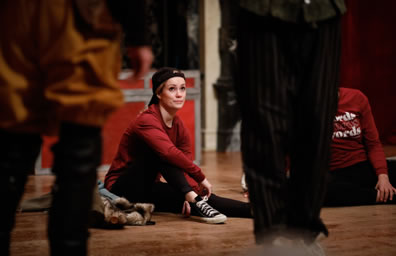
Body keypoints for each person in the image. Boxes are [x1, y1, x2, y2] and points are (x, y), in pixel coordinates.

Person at [0, 1, 153, 255]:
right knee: (78, 143)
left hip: (16, 16)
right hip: (79, 16)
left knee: (11, 141)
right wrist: (138, 33)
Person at [233, 0, 346, 253]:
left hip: (323, 11)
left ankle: (304, 230)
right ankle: (273, 234)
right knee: (264, 125)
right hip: (260, 12)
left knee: (317, 124)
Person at [104, 67, 252, 224]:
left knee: (204, 199)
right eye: (172, 89)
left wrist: (193, 192)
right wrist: (200, 178)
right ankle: (192, 197)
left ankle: (253, 210)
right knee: (162, 151)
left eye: (183, 88)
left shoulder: (178, 125)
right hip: (120, 189)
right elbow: (168, 153)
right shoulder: (146, 120)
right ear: (159, 93)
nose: (179, 94)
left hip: (148, 188)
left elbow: (184, 163)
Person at [324, 87, 396, 206]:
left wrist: (383, 177)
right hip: (332, 173)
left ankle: (377, 194)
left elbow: (373, 144)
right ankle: (381, 196)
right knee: (319, 191)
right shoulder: (310, 105)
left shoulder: (357, 98)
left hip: (361, 165)